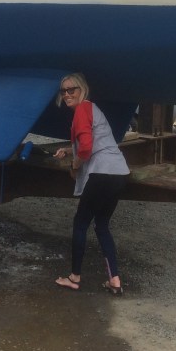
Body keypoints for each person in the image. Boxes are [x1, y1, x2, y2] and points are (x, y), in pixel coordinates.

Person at [53, 72, 130, 295]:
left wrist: (74, 166)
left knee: (80, 223)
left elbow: (86, 148)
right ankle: (114, 280)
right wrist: (68, 150)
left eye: (72, 90)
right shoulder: (92, 109)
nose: (67, 94)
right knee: (102, 224)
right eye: (63, 91)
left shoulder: (82, 109)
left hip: (101, 173)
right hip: (119, 172)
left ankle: (74, 277)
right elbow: (95, 142)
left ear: (82, 90)